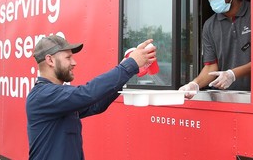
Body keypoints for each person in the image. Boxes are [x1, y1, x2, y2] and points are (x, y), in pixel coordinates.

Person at [26, 35, 156, 160]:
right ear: (50, 60)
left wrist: (124, 73)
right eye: (68, 57)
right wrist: (130, 65)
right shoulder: (43, 95)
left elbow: (95, 105)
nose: (74, 62)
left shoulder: (55, 98)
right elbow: (88, 93)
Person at [180, 0, 251, 98]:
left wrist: (233, 74)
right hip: (228, 98)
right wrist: (194, 84)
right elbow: (211, 67)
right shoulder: (209, 25)